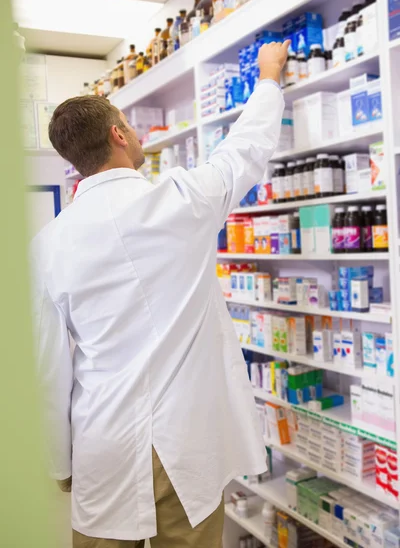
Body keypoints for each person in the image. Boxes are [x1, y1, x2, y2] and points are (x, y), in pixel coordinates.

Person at [30, 40, 289, 548]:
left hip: (102, 441)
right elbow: (245, 149)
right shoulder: (183, 200)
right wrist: (269, 77)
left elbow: (48, 372)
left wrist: (59, 462)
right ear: (118, 133)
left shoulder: (47, 246)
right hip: (185, 443)